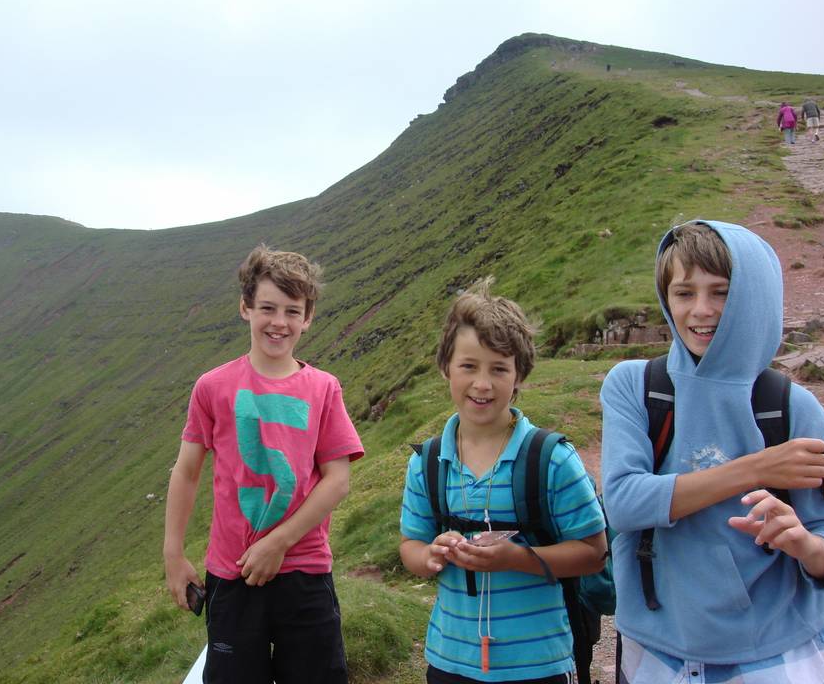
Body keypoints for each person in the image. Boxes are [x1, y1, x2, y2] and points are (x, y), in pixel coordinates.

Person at [601, 221, 824, 683]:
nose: (701, 311)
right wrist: (757, 468)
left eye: (721, 292)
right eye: (684, 293)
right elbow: (623, 505)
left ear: (752, 297)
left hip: (774, 654)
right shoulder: (635, 386)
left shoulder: (790, 407)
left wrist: (804, 544)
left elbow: (823, 539)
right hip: (656, 653)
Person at [163, 244, 364, 684]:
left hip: (306, 571)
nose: (279, 322)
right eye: (268, 308)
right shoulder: (212, 387)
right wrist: (173, 554)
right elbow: (187, 471)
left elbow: (337, 481)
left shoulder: (324, 389)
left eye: (293, 311)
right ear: (245, 308)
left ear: (308, 317)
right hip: (232, 574)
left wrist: (280, 543)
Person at [400, 278, 607, 683]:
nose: (482, 383)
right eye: (468, 366)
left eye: (499, 369)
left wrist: (515, 559)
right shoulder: (427, 462)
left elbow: (594, 553)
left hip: (538, 665)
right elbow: (411, 545)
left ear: (520, 376)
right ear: (446, 368)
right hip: (449, 661)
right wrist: (431, 556)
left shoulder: (552, 459)